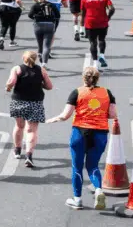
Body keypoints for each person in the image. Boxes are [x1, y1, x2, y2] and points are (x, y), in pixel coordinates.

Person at [47, 66, 118, 210]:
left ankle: (77, 199)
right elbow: (112, 114)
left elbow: (65, 115)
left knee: (77, 167)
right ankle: (98, 190)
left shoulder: (77, 92)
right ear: (98, 78)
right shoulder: (107, 93)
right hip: (100, 133)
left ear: (83, 78)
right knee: (93, 166)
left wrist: (54, 119)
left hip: (80, 133)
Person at [5, 51, 53, 168]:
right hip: (35, 102)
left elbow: (11, 82)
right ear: (35, 59)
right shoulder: (41, 70)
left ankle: (17, 150)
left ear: (23, 58)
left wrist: (8, 87)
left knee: (19, 126)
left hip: (18, 101)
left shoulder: (17, 69)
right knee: (31, 130)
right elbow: (49, 86)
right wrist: (39, 84)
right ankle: (29, 156)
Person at [80, 0, 115, 70]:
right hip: (102, 22)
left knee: (93, 42)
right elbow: (112, 9)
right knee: (102, 39)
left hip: (90, 22)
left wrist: (82, 26)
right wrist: (108, 17)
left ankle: (95, 63)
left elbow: (83, 14)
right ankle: (102, 55)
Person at [28, 0, 61, 66]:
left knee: (40, 45)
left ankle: (40, 58)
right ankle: (44, 63)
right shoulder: (51, 5)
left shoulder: (35, 5)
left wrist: (36, 18)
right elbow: (58, 15)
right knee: (46, 46)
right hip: (50, 25)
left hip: (38, 25)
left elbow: (30, 15)